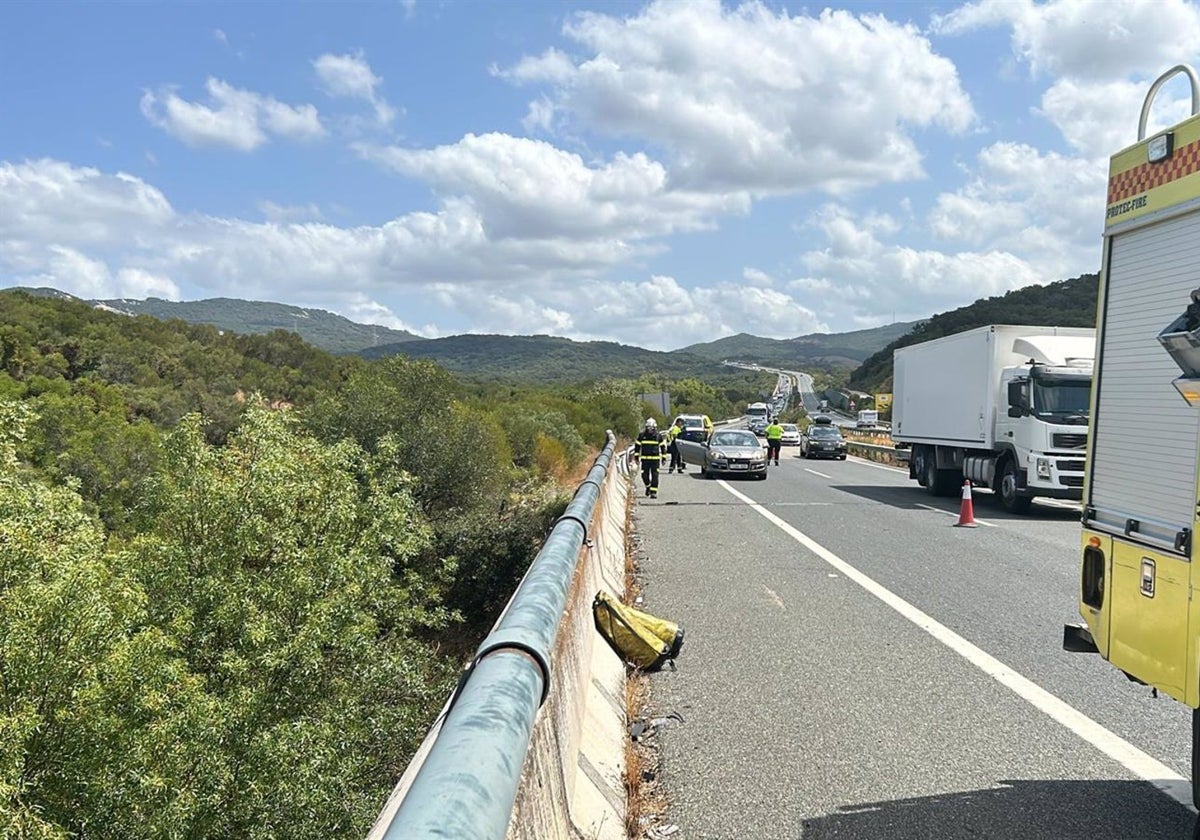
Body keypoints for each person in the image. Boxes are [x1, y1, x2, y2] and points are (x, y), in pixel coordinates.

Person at [634, 418, 666, 498]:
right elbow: (637, 446)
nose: (650, 430)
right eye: (649, 428)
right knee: (644, 475)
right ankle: (648, 486)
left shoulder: (658, 436)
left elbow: (663, 447)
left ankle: (653, 492)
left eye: (652, 428)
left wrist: (664, 458)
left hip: (655, 460)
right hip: (645, 460)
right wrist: (636, 457)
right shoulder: (642, 435)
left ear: (655, 427)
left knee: (655, 476)